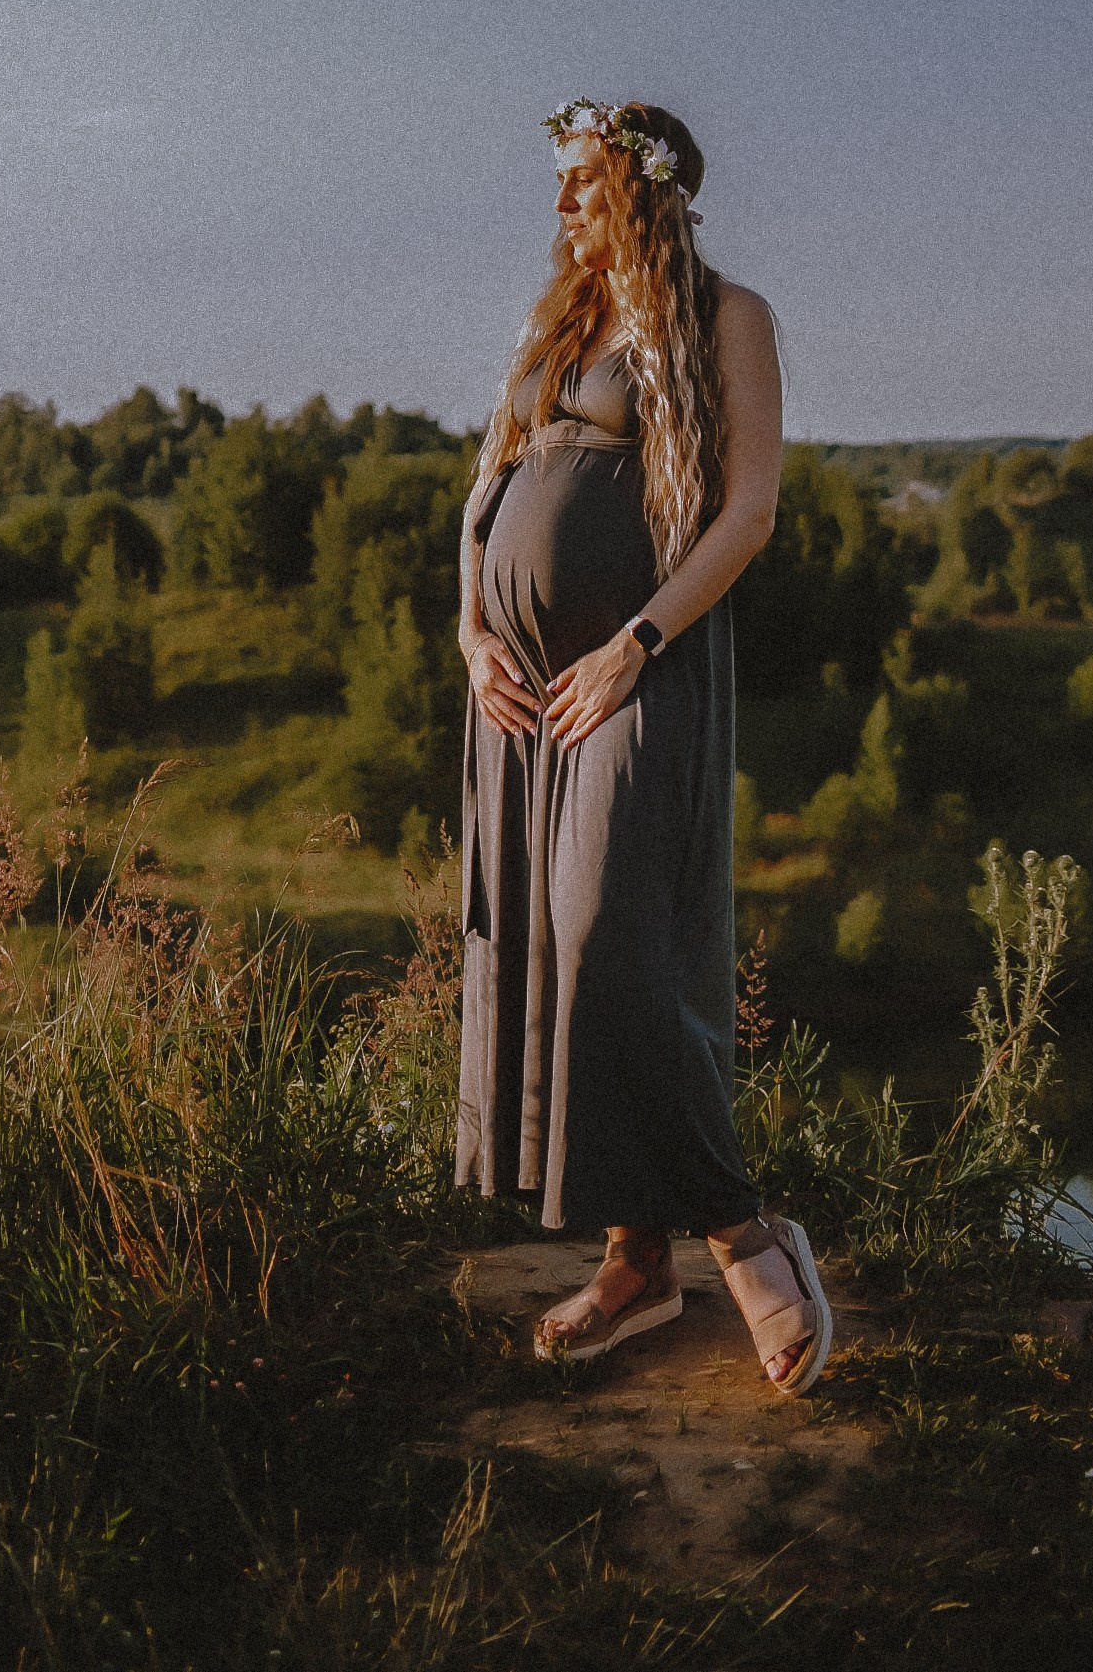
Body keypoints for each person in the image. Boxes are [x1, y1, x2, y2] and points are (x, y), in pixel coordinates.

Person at [455, 96, 831, 1387]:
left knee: (608, 935)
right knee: (554, 956)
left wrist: (636, 645)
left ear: (644, 187)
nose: (560, 207)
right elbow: (486, 488)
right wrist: (470, 634)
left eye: (581, 182)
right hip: (521, 685)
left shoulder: (728, 317)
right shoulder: (560, 321)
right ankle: (635, 1263)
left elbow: (748, 509)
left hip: (635, 668)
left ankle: (742, 1229)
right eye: (556, 183)